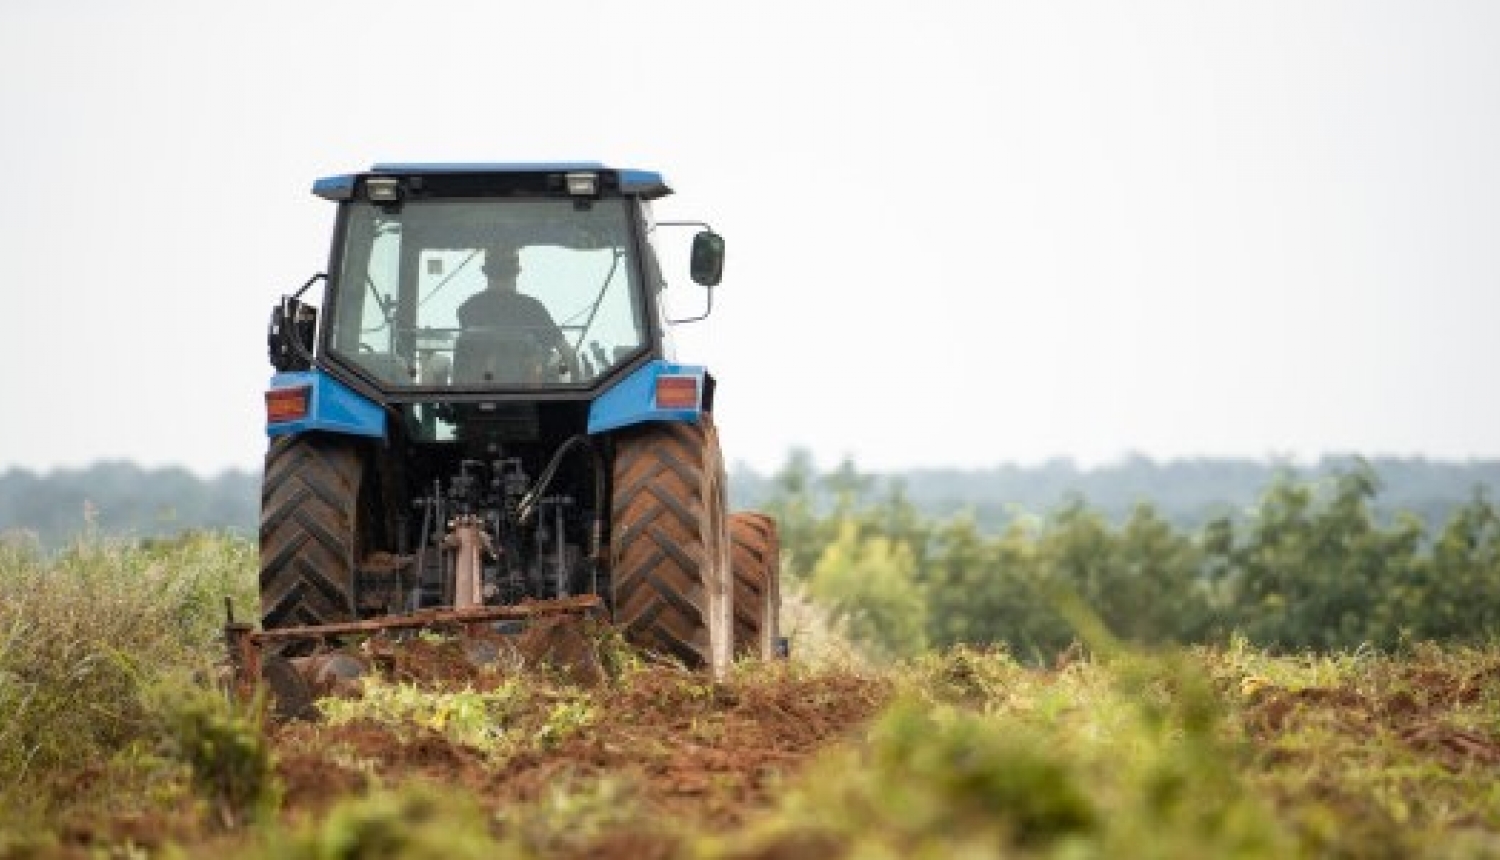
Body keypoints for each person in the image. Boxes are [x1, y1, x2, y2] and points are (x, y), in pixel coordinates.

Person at [454, 246, 578, 381]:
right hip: (529, 394)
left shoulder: (467, 309)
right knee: (558, 362)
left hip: (481, 389)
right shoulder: (533, 308)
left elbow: (468, 357)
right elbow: (568, 354)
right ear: (517, 271)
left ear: (485, 272)